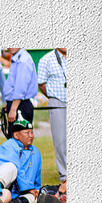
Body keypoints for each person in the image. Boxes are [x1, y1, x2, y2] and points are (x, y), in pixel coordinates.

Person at [0, 116, 43, 203]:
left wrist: (36, 190)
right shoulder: (9, 145)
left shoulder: (36, 152)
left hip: (19, 191)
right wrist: (27, 188)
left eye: (32, 132)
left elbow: (37, 177)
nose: (31, 136)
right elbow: (17, 168)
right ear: (16, 135)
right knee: (10, 167)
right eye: (26, 133)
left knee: (33, 198)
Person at [37, 47, 68, 194]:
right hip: (58, 101)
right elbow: (41, 84)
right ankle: (65, 175)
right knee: (61, 140)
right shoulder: (46, 59)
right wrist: (53, 97)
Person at [1, 48, 38, 130]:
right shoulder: (17, 57)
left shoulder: (22, 60)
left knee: (20, 139)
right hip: (17, 104)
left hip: (20, 106)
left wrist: (13, 109)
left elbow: (21, 87)